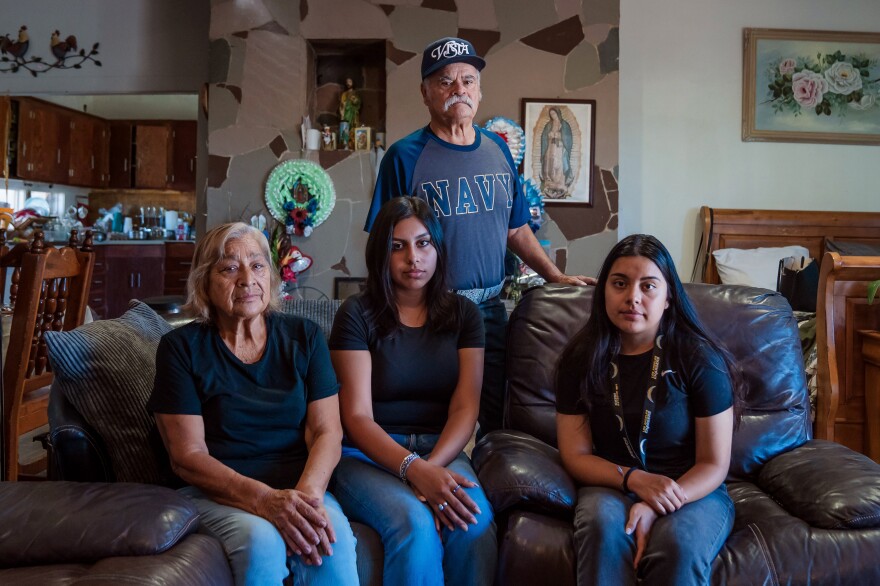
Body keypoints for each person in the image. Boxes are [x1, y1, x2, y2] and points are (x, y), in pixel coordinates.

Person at [365, 36, 593, 438]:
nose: (459, 90)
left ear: (479, 91)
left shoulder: (498, 151)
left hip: (488, 309)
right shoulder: (404, 156)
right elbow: (384, 241)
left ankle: (484, 491)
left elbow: (516, 229)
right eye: (446, 82)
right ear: (425, 92)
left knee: (493, 418)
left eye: (468, 81)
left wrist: (554, 277)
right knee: (428, 415)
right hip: (426, 308)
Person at [148, 222, 358, 586]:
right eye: (229, 268)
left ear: (271, 277)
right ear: (204, 282)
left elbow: (327, 430)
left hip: (298, 487)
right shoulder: (180, 348)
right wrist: (264, 500)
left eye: (257, 265)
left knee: (330, 541)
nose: (247, 279)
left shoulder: (303, 336)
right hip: (216, 493)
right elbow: (187, 456)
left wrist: (305, 499)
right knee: (261, 543)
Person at [555, 234, 744, 585]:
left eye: (648, 286)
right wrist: (634, 480)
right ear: (604, 292)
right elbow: (575, 454)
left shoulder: (700, 359)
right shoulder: (580, 359)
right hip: (611, 482)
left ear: (669, 296)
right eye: (620, 284)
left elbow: (714, 463)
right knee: (601, 526)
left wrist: (659, 501)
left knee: (678, 544)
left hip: (690, 488)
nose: (633, 298)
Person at [330, 197, 496, 586]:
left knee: (473, 519)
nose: (413, 258)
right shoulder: (356, 314)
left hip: (442, 448)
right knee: (415, 522)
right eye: (397, 246)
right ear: (381, 254)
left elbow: (465, 406)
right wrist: (413, 470)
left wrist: (432, 468)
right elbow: (355, 417)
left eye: (424, 243)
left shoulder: (464, 316)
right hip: (367, 454)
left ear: (438, 248)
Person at [540, 106, 573, 198]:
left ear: (558, 113)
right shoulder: (548, 125)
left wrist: (560, 136)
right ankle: (549, 184)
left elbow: (569, 138)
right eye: (551, 114)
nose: (553, 116)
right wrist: (548, 136)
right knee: (549, 163)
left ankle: (560, 184)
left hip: (560, 148)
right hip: (550, 147)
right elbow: (543, 137)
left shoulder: (564, 125)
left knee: (559, 164)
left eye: (554, 113)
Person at [338, 77, 361, 148]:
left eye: (350, 81)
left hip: (353, 113)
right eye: (347, 82)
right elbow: (342, 104)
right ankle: (345, 142)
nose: (348, 83)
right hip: (346, 114)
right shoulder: (344, 94)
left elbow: (359, 102)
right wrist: (344, 104)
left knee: (353, 126)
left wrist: (354, 100)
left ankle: (353, 142)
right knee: (346, 126)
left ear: (353, 83)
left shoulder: (356, 93)